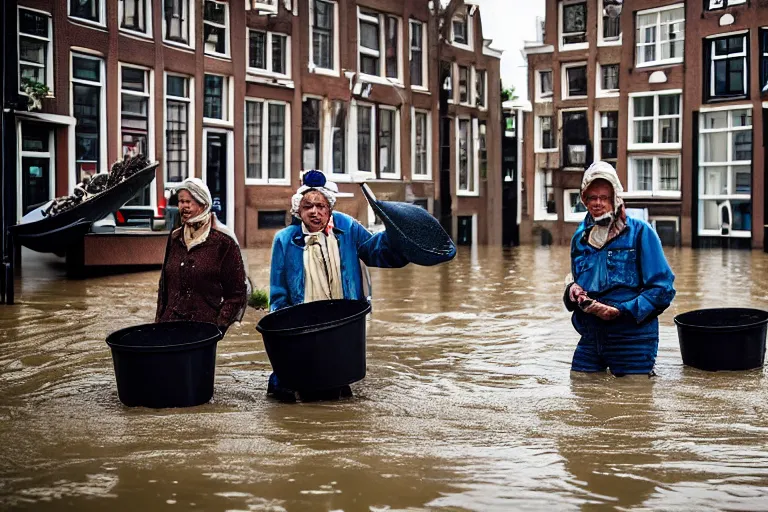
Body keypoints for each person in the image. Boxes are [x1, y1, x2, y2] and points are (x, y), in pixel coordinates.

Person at [267, 170, 408, 400]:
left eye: (320, 206)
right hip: (307, 328)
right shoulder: (285, 240)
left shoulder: (348, 228)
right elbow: (279, 295)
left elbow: (377, 252)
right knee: (307, 389)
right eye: (308, 206)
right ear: (298, 211)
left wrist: (398, 237)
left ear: (329, 207)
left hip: (344, 325)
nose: (315, 212)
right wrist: (287, 333)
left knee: (339, 390)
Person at [564, 161, 676, 376]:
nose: (597, 203)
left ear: (615, 198)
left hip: (633, 336)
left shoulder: (641, 232)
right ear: (583, 199)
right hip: (591, 332)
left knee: (634, 396)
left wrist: (620, 311)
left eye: (604, 198)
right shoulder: (580, 236)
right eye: (591, 198)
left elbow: (663, 289)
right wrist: (572, 290)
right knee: (580, 385)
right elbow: (577, 278)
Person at [155, 177, 248, 335]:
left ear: (203, 203)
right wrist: (158, 323)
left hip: (203, 333)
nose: (183, 206)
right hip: (168, 330)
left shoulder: (224, 242)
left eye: (188, 201)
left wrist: (219, 326)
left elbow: (237, 294)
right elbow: (164, 287)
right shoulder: (175, 238)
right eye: (180, 201)